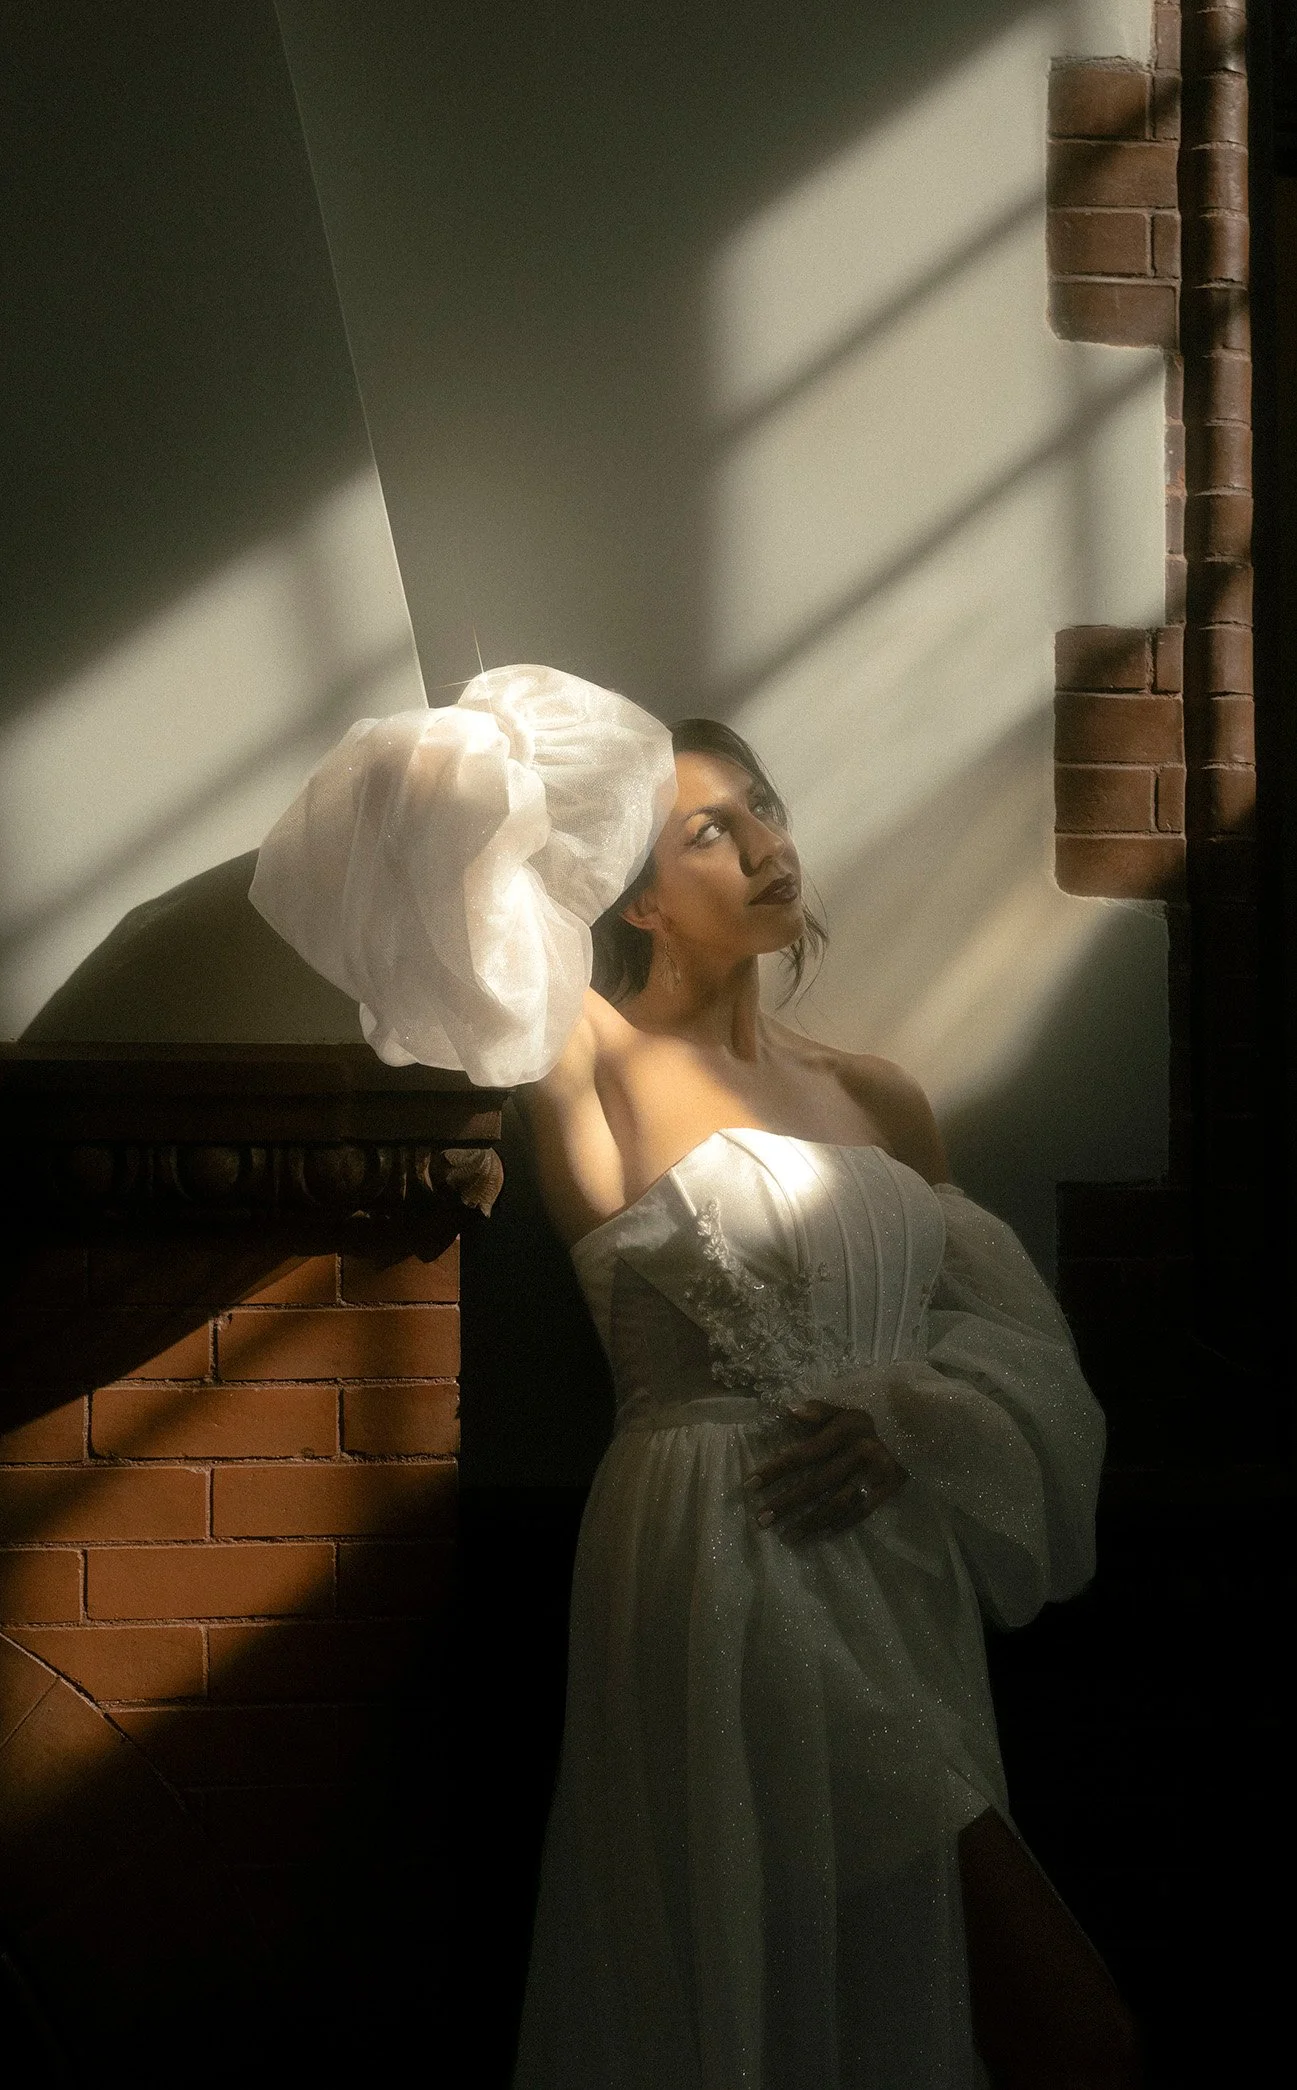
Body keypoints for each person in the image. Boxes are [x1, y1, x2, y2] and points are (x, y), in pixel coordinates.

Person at [250, 665, 1140, 2090]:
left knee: (889, 2007)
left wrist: (914, 1418)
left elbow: (1018, 1352)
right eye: (707, 830)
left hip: (895, 1580)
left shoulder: (881, 1097)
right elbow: (415, 823)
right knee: (1066, 2027)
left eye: (764, 806)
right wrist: (557, 755)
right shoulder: (592, 1057)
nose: (766, 839)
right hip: (727, 1557)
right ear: (636, 896)